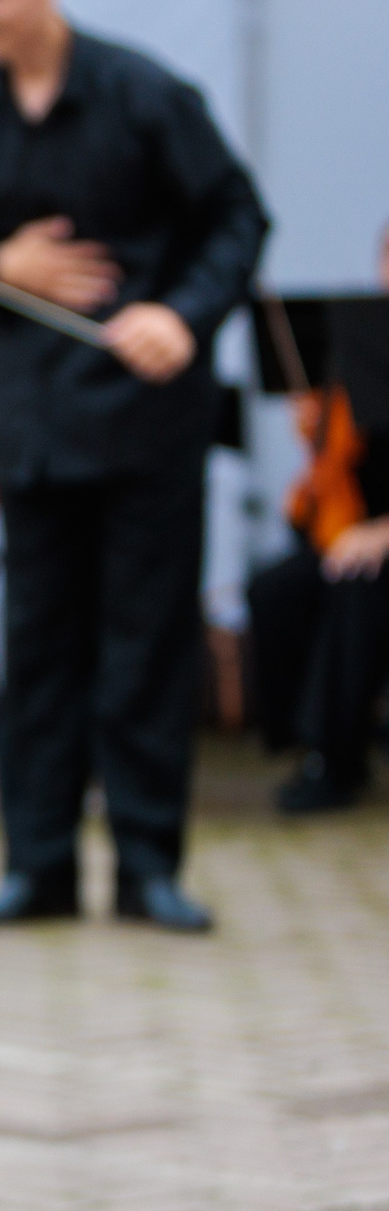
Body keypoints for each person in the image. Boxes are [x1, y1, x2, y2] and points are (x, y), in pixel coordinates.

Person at [0, 0, 268, 933]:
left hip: (144, 416)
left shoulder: (145, 95)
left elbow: (237, 219)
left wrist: (181, 315)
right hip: (27, 422)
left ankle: (150, 866)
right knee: (37, 649)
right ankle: (39, 865)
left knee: (144, 645)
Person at [245, 223, 389, 814]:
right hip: (350, 526)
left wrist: (382, 536)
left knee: (354, 588)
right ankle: (297, 735)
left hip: (377, 539)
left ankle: (337, 758)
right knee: (274, 589)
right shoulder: (362, 346)